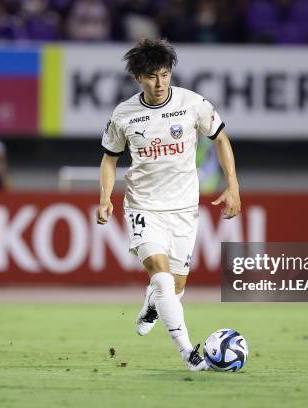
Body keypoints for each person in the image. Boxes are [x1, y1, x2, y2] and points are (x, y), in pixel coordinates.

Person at [96, 38, 241, 371]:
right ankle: (190, 354)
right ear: (138, 78)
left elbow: (220, 138)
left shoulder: (192, 104)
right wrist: (105, 197)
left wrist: (232, 184)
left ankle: (152, 302)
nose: (159, 83)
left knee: (173, 291)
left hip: (184, 211)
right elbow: (109, 159)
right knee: (162, 280)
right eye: (151, 76)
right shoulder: (124, 115)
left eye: (164, 74)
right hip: (143, 207)